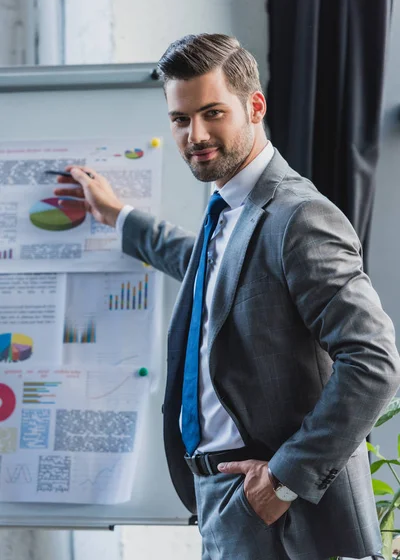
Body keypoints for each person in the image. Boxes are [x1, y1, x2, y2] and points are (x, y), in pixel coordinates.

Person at [55, 34, 399, 560]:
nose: (196, 134)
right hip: (223, 499)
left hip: (285, 512)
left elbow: (373, 360)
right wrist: (120, 217)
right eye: (180, 119)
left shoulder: (299, 215)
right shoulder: (230, 213)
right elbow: (204, 270)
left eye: (213, 113)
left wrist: (283, 482)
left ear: (254, 106)